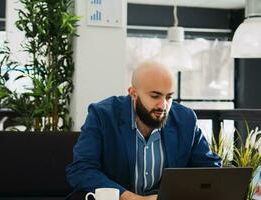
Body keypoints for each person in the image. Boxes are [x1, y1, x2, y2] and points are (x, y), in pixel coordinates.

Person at [66, 61, 221, 200]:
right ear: (133, 93)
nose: (163, 106)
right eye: (155, 96)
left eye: (168, 97)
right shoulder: (103, 115)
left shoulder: (186, 120)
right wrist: (130, 198)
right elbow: (80, 169)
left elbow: (210, 169)